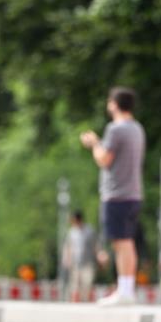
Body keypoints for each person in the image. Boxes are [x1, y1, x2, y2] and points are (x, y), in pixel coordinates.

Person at [80, 87, 145, 305]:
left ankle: (124, 291)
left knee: (121, 242)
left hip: (117, 194)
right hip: (134, 193)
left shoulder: (115, 130)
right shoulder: (137, 129)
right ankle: (128, 288)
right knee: (128, 242)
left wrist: (94, 143)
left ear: (114, 104)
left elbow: (104, 159)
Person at [62, 211, 97, 302]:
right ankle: (74, 302)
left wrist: (99, 255)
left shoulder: (89, 231)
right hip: (75, 263)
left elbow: (96, 245)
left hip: (87, 262)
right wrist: (66, 258)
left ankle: (84, 301)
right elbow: (68, 246)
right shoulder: (71, 232)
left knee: (87, 283)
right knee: (74, 284)